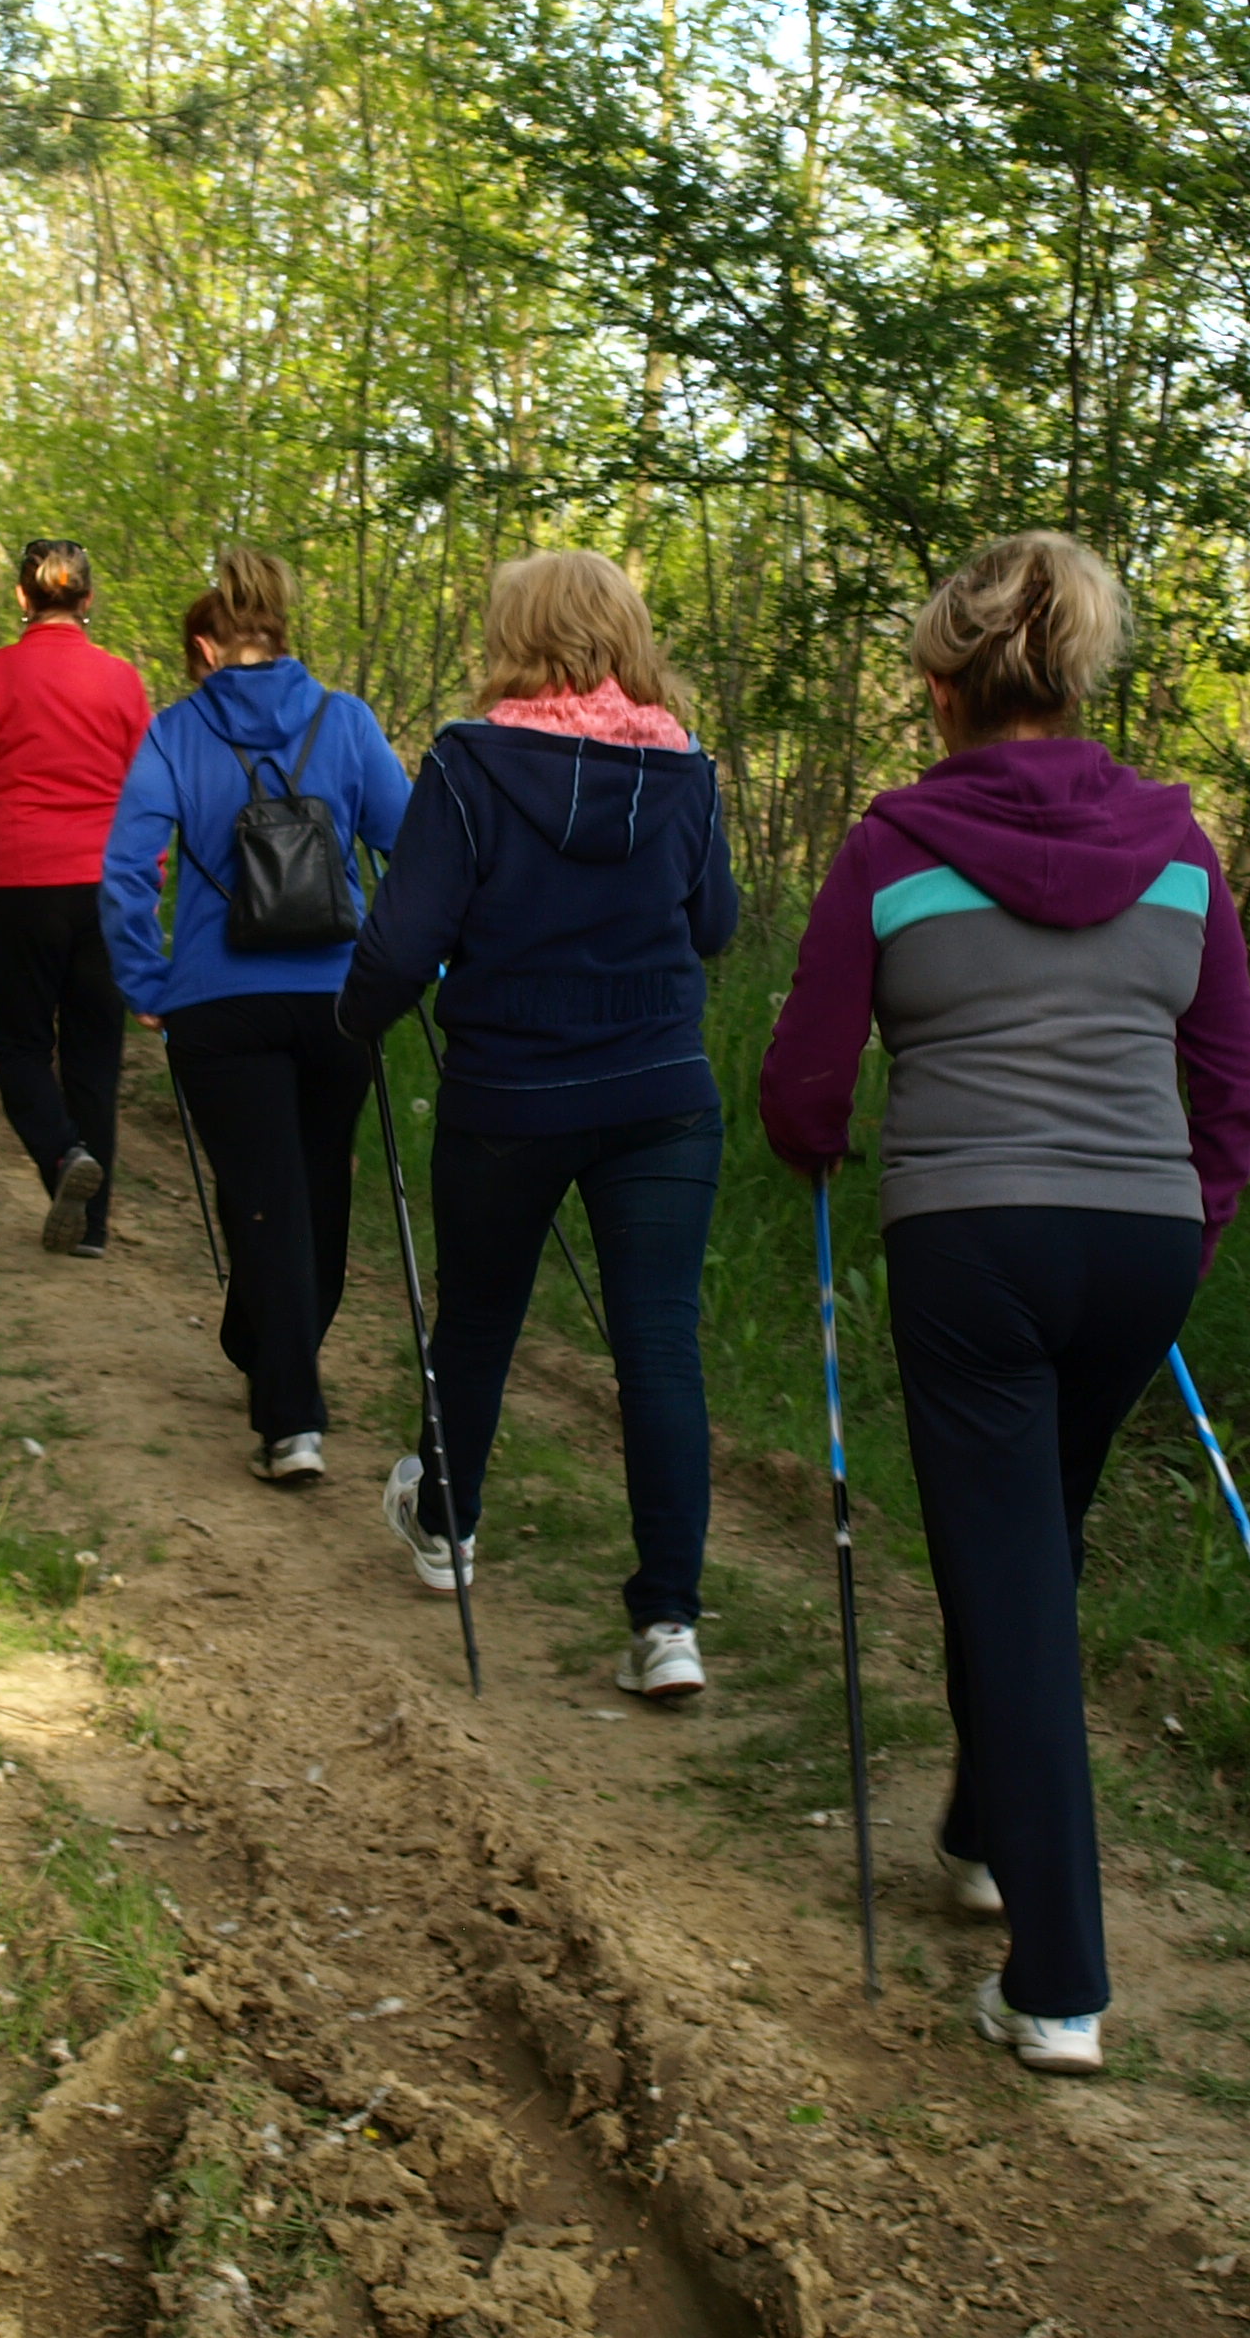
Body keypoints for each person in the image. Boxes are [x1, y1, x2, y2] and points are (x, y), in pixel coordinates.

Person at [758, 530, 1250, 2078]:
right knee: (1026, 1551)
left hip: (974, 1242)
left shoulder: (892, 852)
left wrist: (824, 1142)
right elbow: (1228, 1080)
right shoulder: (1183, 852)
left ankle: (1058, 1980)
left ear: (939, 686)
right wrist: (1182, 1236)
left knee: (1015, 1581)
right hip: (1138, 1248)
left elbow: (802, 1089)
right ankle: (984, 1829)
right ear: (1079, 677)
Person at [339, 551, 739, 1694]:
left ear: (516, 636)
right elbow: (713, 926)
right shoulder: (688, 769)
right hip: (660, 1094)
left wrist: (356, 1020)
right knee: (658, 1347)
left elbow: (404, 944)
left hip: (510, 1094)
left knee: (478, 1323)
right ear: (625, 633)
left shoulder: (469, 765)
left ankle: (449, 1531)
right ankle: (668, 1622)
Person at [103, 549, 412, 1484]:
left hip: (216, 1004)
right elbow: (414, 849)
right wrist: (410, 968)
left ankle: (288, 1415)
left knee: (268, 1197)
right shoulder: (348, 724)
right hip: (338, 1004)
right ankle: (280, 1365)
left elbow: (125, 870)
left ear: (206, 644)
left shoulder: (172, 733)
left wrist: (146, 982)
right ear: (282, 632)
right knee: (313, 1194)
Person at [0, 538, 156, 1256]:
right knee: (93, 1054)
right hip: (106, 886)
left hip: (22, 884)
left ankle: (60, 1157)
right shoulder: (121, 680)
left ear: (23, 599)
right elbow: (149, 790)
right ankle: (93, 1228)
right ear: (86, 600)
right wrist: (151, 874)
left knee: (16, 1040)